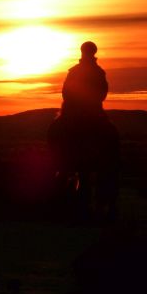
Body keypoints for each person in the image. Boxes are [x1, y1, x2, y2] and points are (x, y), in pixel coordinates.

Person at [48, 41, 119, 222]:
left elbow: (68, 92)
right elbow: (101, 92)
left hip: (83, 109)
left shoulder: (78, 71)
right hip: (85, 109)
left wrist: (81, 101)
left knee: (56, 130)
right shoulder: (95, 72)